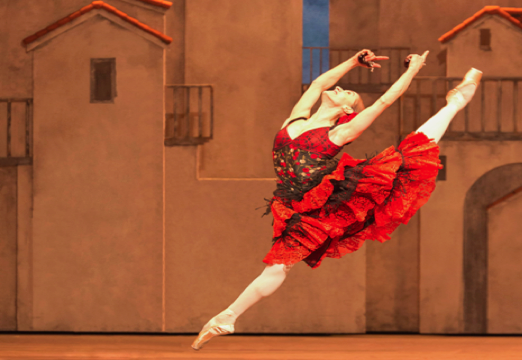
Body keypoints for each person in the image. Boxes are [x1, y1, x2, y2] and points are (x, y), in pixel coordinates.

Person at [191, 49, 482, 350]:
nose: (341, 88)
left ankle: (454, 104)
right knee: (277, 267)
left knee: (409, 155)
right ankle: (227, 317)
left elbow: (385, 101)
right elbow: (318, 85)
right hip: (295, 207)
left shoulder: (342, 132)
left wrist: (412, 71)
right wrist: (354, 62)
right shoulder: (295, 118)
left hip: (323, 205)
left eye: (348, 93)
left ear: (345, 111)